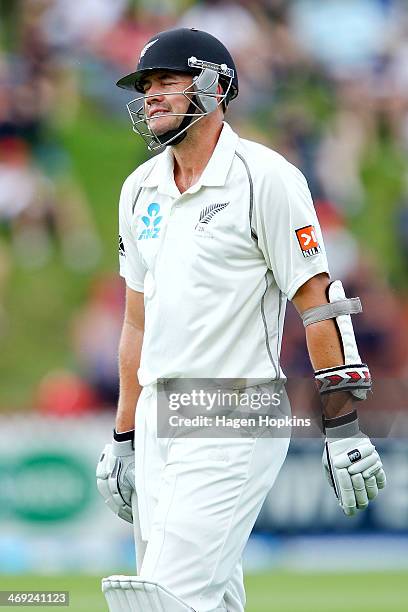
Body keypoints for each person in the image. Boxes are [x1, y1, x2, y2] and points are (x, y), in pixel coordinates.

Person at [96, 28, 386, 612]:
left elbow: (320, 301)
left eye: (168, 82)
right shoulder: (138, 191)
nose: (151, 96)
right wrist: (125, 436)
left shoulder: (265, 177)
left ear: (214, 86)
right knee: (208, 601)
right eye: (146, 86)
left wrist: (343, 425)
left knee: (163, 599)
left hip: (236, 406)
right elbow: (136, 325)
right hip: (159, 413)